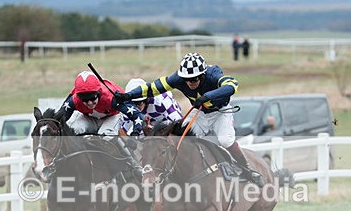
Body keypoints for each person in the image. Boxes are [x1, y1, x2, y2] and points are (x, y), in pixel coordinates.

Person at [113, 52, 265, 186]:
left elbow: (233, 85)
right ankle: (176, 175)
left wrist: (207, 96)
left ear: (203, 75)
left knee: (225, 140)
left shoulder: (213, 74)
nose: (190, 83)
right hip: (200, 113)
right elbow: (152, 87)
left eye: (194, 79)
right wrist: (129, 96)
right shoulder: (178, 78)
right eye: (187, 79)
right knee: (179, 141)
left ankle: (247, 170)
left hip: (221, 112)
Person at [55, 70, 144, 179]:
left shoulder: (111, 98)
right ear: (78, 96)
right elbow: (59, 120)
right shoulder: (73, 100)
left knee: (105, 135)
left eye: (92, 98)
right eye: (84, 100)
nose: (89, 103)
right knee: (74, 130)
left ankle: (134, 165)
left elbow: (138, 116)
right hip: (88, 117)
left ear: (99, 93)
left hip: (112, 117)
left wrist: (134, 135)